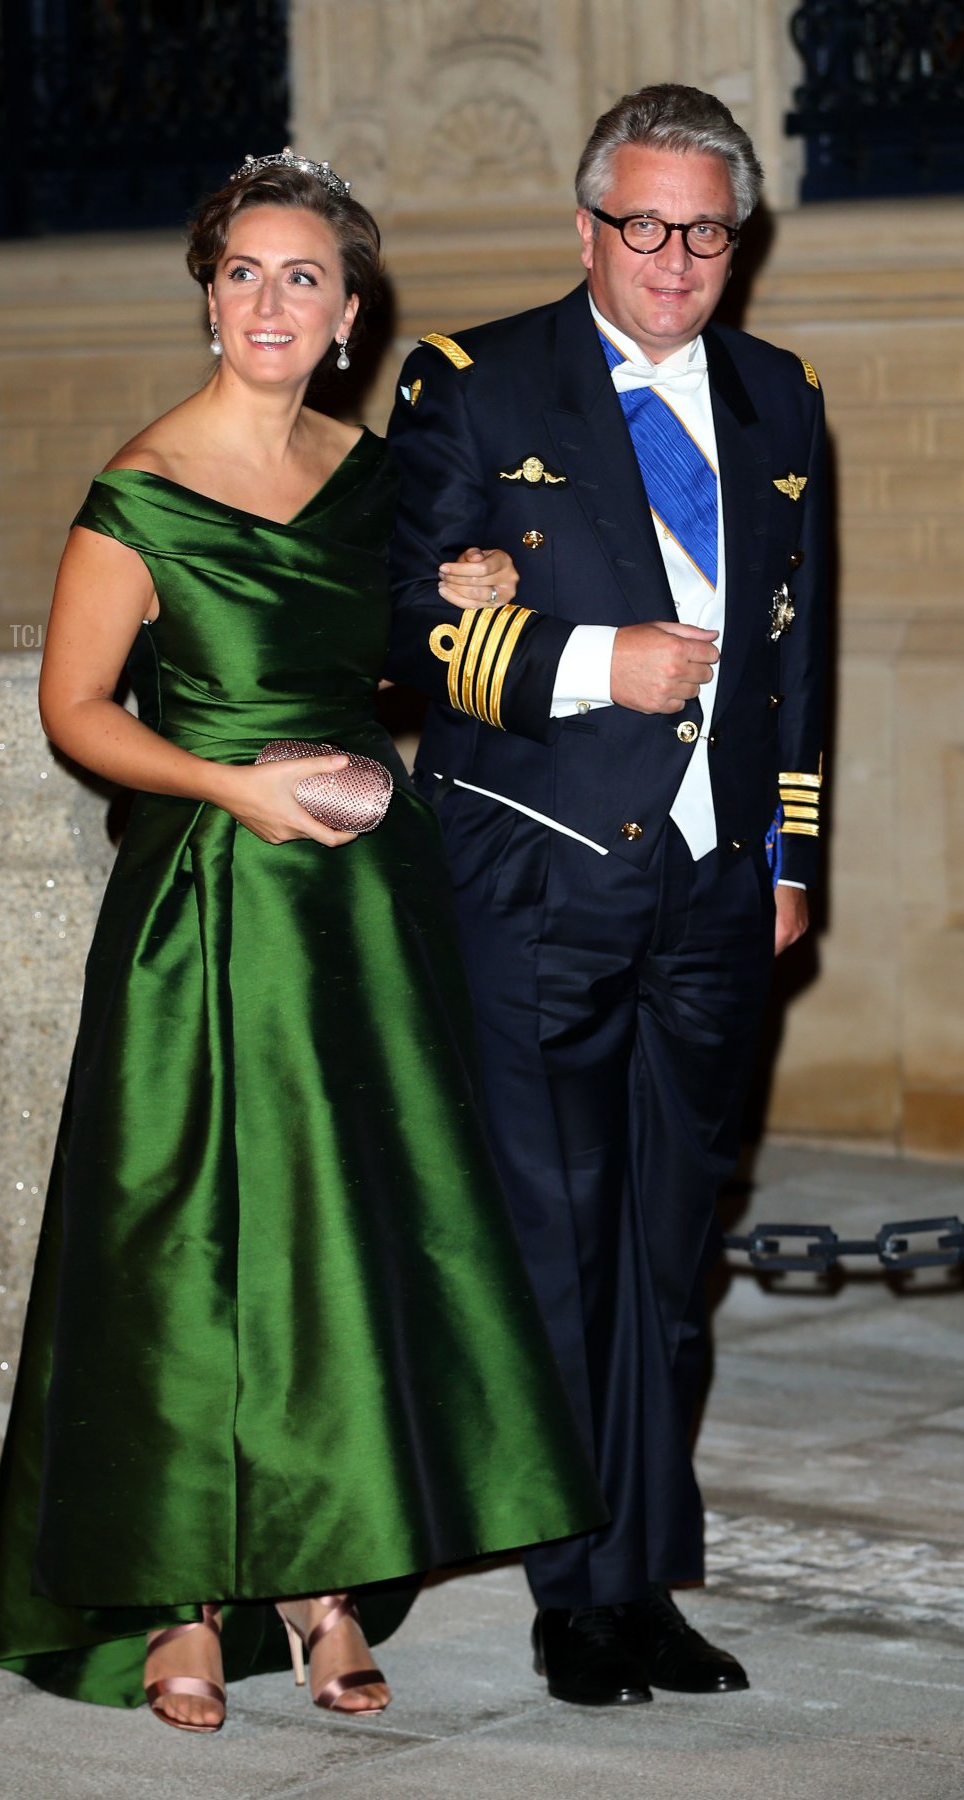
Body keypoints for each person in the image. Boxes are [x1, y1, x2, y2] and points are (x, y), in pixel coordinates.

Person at [0, 149, 604, 1734]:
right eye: (243, 272)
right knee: (184, 1242)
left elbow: (393, 662)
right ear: (209, 299)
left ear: (347, 315)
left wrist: (464, 583)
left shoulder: (377, 478)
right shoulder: (140, 489)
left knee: (342, 1239)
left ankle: (325, 1582)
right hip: (206, 906)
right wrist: (227, 786)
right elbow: (75, 710)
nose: (269, 300)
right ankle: (179, 1597)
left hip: (363, 907)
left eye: (301, 276)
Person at [385, 84, 828, 1707]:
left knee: (668, 1253)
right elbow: (399, 620)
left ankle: (641, 1580)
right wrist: (587, 661)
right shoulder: (474, 379)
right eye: (644, 225)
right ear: (587, 229)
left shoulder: (779, 398)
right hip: (537, 876)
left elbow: (797, 651)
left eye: (706, 231)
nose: (675, 259)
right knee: (560, 1247)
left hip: (713, 890)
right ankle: (574, 1593)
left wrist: (788, 859)